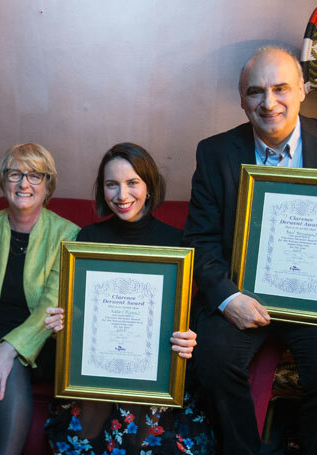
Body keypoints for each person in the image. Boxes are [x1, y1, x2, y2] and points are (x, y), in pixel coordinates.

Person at [182, 46, 317, 455]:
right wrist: (227, 298)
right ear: (241, 99)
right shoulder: (214, 152)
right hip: (243, 292)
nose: (268, 103)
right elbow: (200, 240)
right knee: (213, 361)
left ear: (303, 90)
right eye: (255, 92)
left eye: (281, 88)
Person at [42, 142, 215, 454]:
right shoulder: (88, 240)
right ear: (102, 190)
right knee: (87, 432)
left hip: (155, 375)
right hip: (101, 373)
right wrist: (65, 324)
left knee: (145, 435)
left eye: (132, 183)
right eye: (112, 185)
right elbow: (82, 317)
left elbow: (189, 316)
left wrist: (191, 337)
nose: (122, 196)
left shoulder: (177, 244)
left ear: (149, 186)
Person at [0, 143, 79, 454]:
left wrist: (7, 351)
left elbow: (50, 305)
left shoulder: (67, 234)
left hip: (38, 340)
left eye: (35, 176)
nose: (24, 184)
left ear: (48, 184)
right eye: (15, 174)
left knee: (8, 369)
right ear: (3, 181)